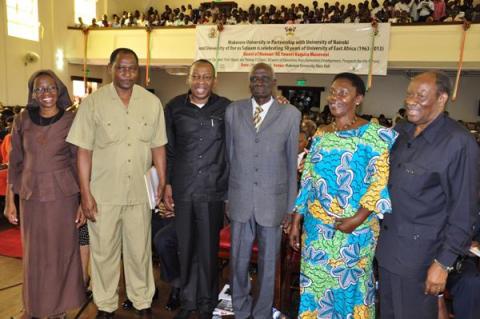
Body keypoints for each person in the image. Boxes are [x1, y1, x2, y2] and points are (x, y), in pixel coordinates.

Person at [66, 48, 167, 319]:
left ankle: (142, 302)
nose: (127, 73)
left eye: (132, 68)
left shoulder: (151, 103)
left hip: (138, 193)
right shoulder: (93, 103)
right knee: (104, 253)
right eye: (121, 67)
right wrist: (85, 194)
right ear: (111, 68)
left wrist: (162, 181)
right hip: (103, 195)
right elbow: (83, 152)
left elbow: (158, 146)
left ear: (138, 70)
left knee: (140, 251)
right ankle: (106, 305)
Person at [289, 72, 397, 319]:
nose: (334, 97)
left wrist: (357, 220)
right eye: (332, 92)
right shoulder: (321, 134)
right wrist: (297, 219)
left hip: (354, 231)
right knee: (316, 285)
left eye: (343, 93)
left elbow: (379, 182)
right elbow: (308, 178)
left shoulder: (375, 135)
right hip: (317, 231)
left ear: (358, 98)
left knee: (350, 287)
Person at [376, 71, 479, 319]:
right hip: (388, 252)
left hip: (421, 261)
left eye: (420, 95)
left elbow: (464, 212)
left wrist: (443, 264)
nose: (411, 100)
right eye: (409, 94)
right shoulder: (401, 133)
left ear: (442, 98)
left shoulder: (458, 143)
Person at [4, 70, 86, 318]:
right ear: (33, 93)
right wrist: (10, 201)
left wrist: (83, 200)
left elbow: (78, 163)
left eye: (50, 88)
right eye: (39, 89)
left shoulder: (71, 120)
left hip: (63, 196)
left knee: (60, 252)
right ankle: (33, 307)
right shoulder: (22, 119)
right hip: (30, 196)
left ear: (59, 89)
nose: (46, 93)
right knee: (33, 253)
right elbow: (15, 162)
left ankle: (57, 309)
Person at [225, 63, 300, 319]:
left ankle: (261, 313)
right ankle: (241, 310)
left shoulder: (290, 114)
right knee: (237, 262)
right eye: (255, 78)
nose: (259, 81)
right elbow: (229, 157)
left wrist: (291, 208)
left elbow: (292, 164)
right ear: (249, 82)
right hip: (240, 200)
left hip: (273, 204)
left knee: (269, 266)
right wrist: (228, 197)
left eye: (265, 78)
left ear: (274, 81)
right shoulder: (233, 111)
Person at [163, 59, 231, 319]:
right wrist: (167, 183)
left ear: (214, 80)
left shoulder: (226, 108)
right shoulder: (174, 107)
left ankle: (206, 303)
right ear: (188, 79)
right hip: (183, 188)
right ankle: (188, 302)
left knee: (208, 249)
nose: (201, 82)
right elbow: (168, 149)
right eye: (196, 76)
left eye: (206, 77)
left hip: (213, 189)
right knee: (186, 246)